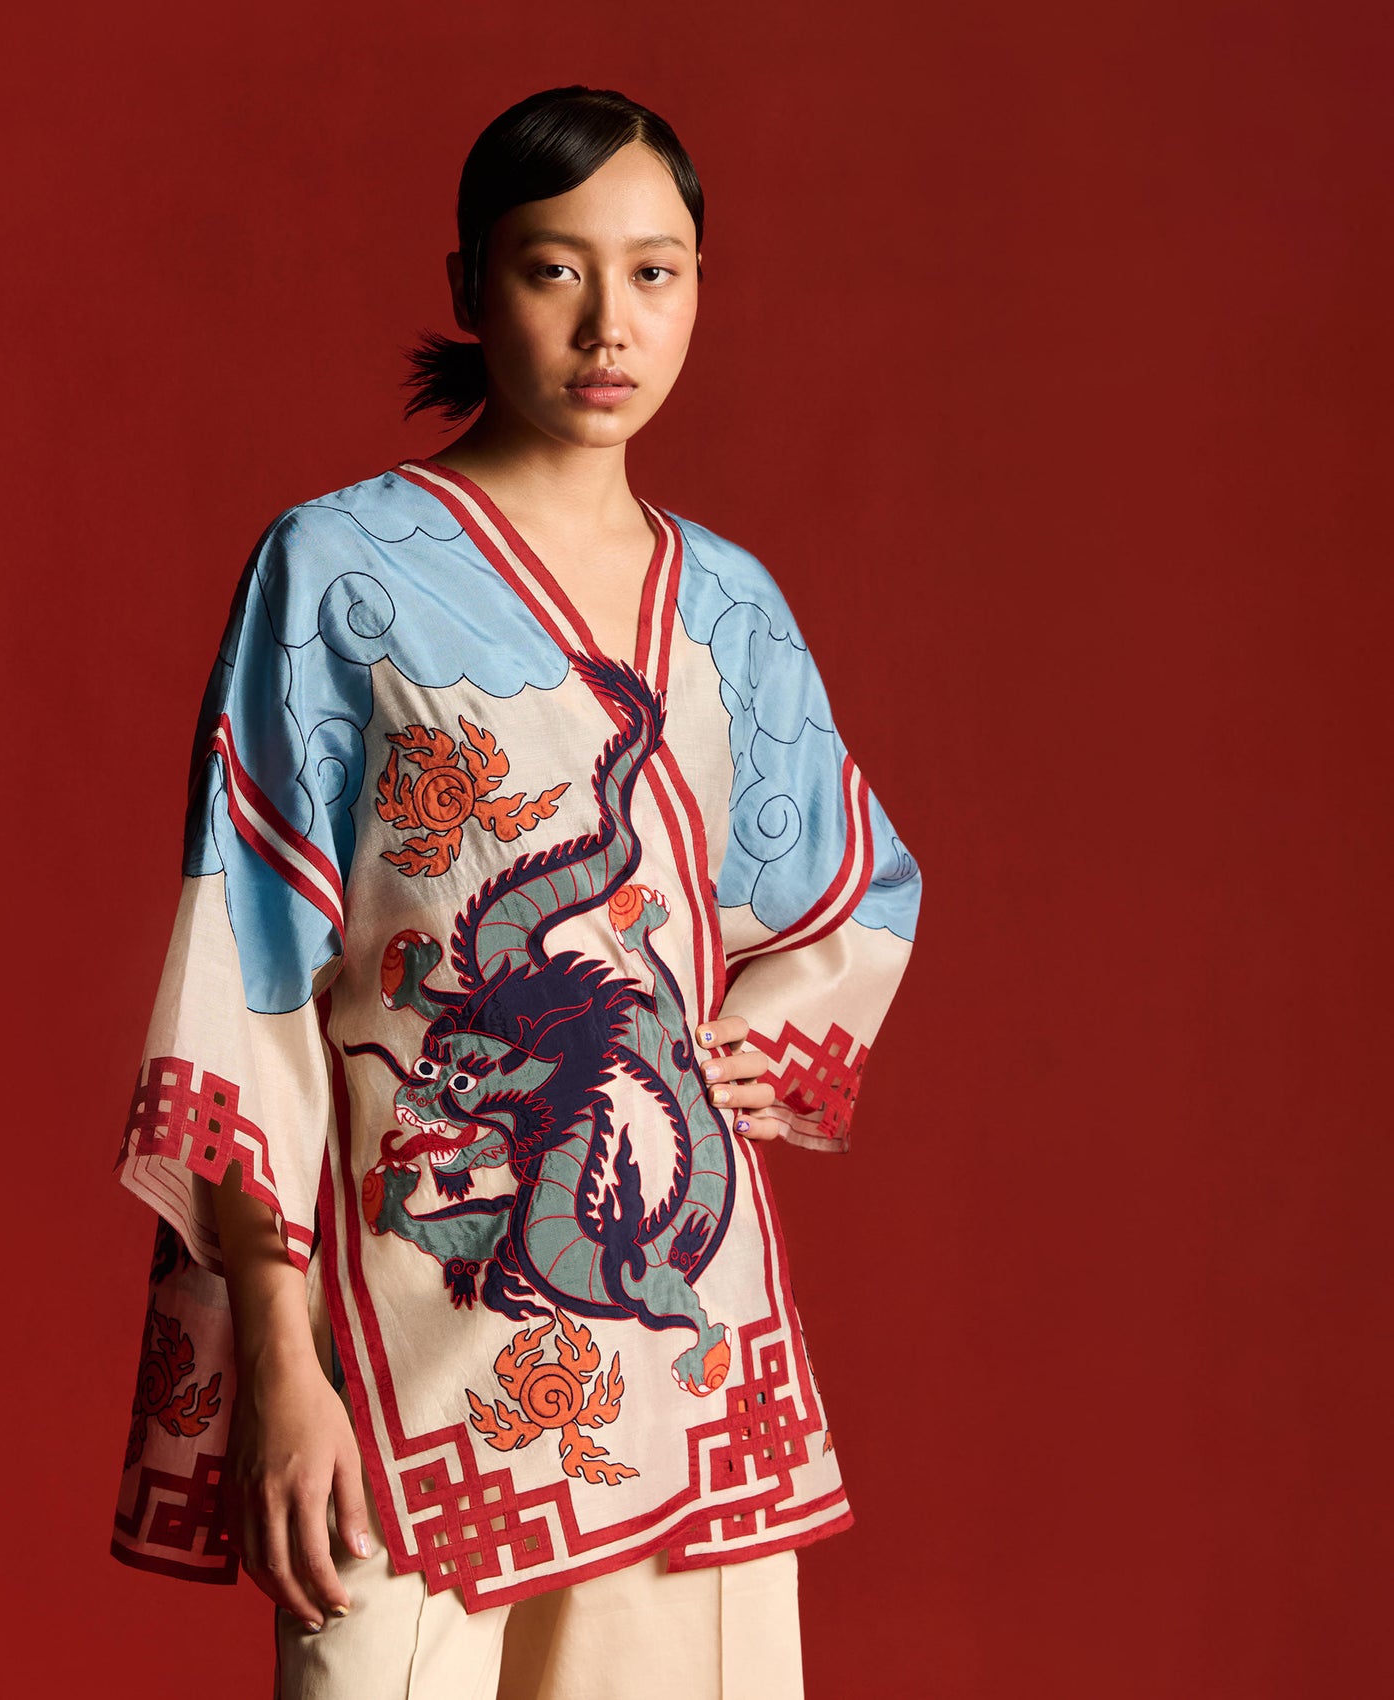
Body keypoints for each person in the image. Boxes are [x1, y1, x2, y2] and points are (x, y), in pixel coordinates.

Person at [109, 85, 922, 1699]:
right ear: (473, 286)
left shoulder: (732, 607)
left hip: (680, 1350)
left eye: (656, 273)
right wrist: (281, 1354)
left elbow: (850, 887)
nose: (611, 324)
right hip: (397, 1330)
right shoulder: (338, 572)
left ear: (698, 288)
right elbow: (248, 959)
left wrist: (759, 1045)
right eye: (556, 269)